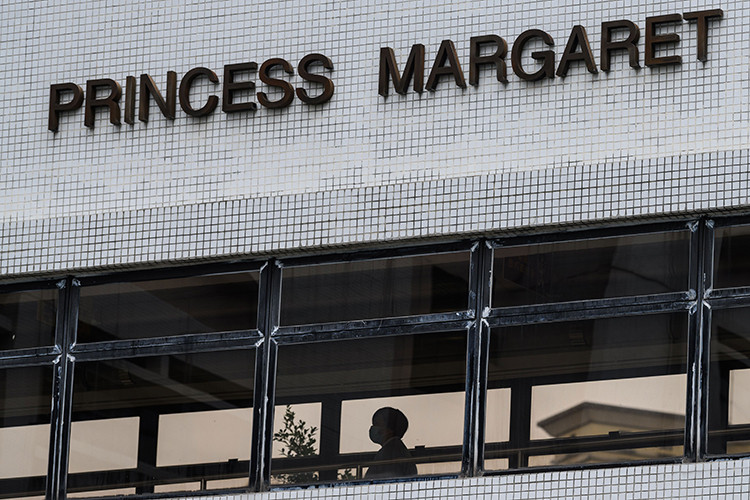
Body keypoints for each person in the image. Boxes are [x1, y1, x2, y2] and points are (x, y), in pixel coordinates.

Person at [365, 407, 418, 479]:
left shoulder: (391, 453)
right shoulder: (395, 449)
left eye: (377, 424)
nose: (373, 428)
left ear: (389, 430)